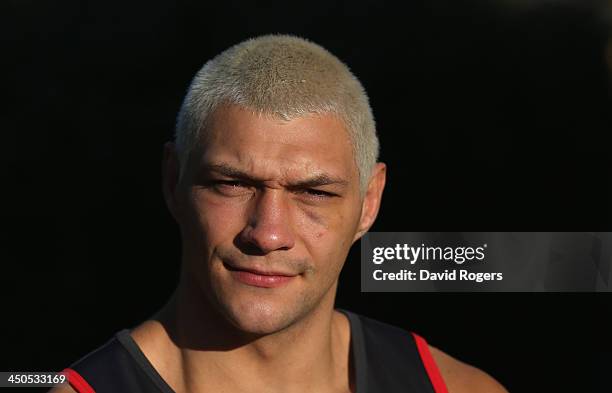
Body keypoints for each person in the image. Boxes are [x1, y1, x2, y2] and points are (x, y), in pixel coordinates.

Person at [51, 34, 507, 393]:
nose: (268, 234)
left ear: (369, 202)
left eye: (314, 193)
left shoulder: (459, 388)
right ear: (174, 181)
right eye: (232, 184)